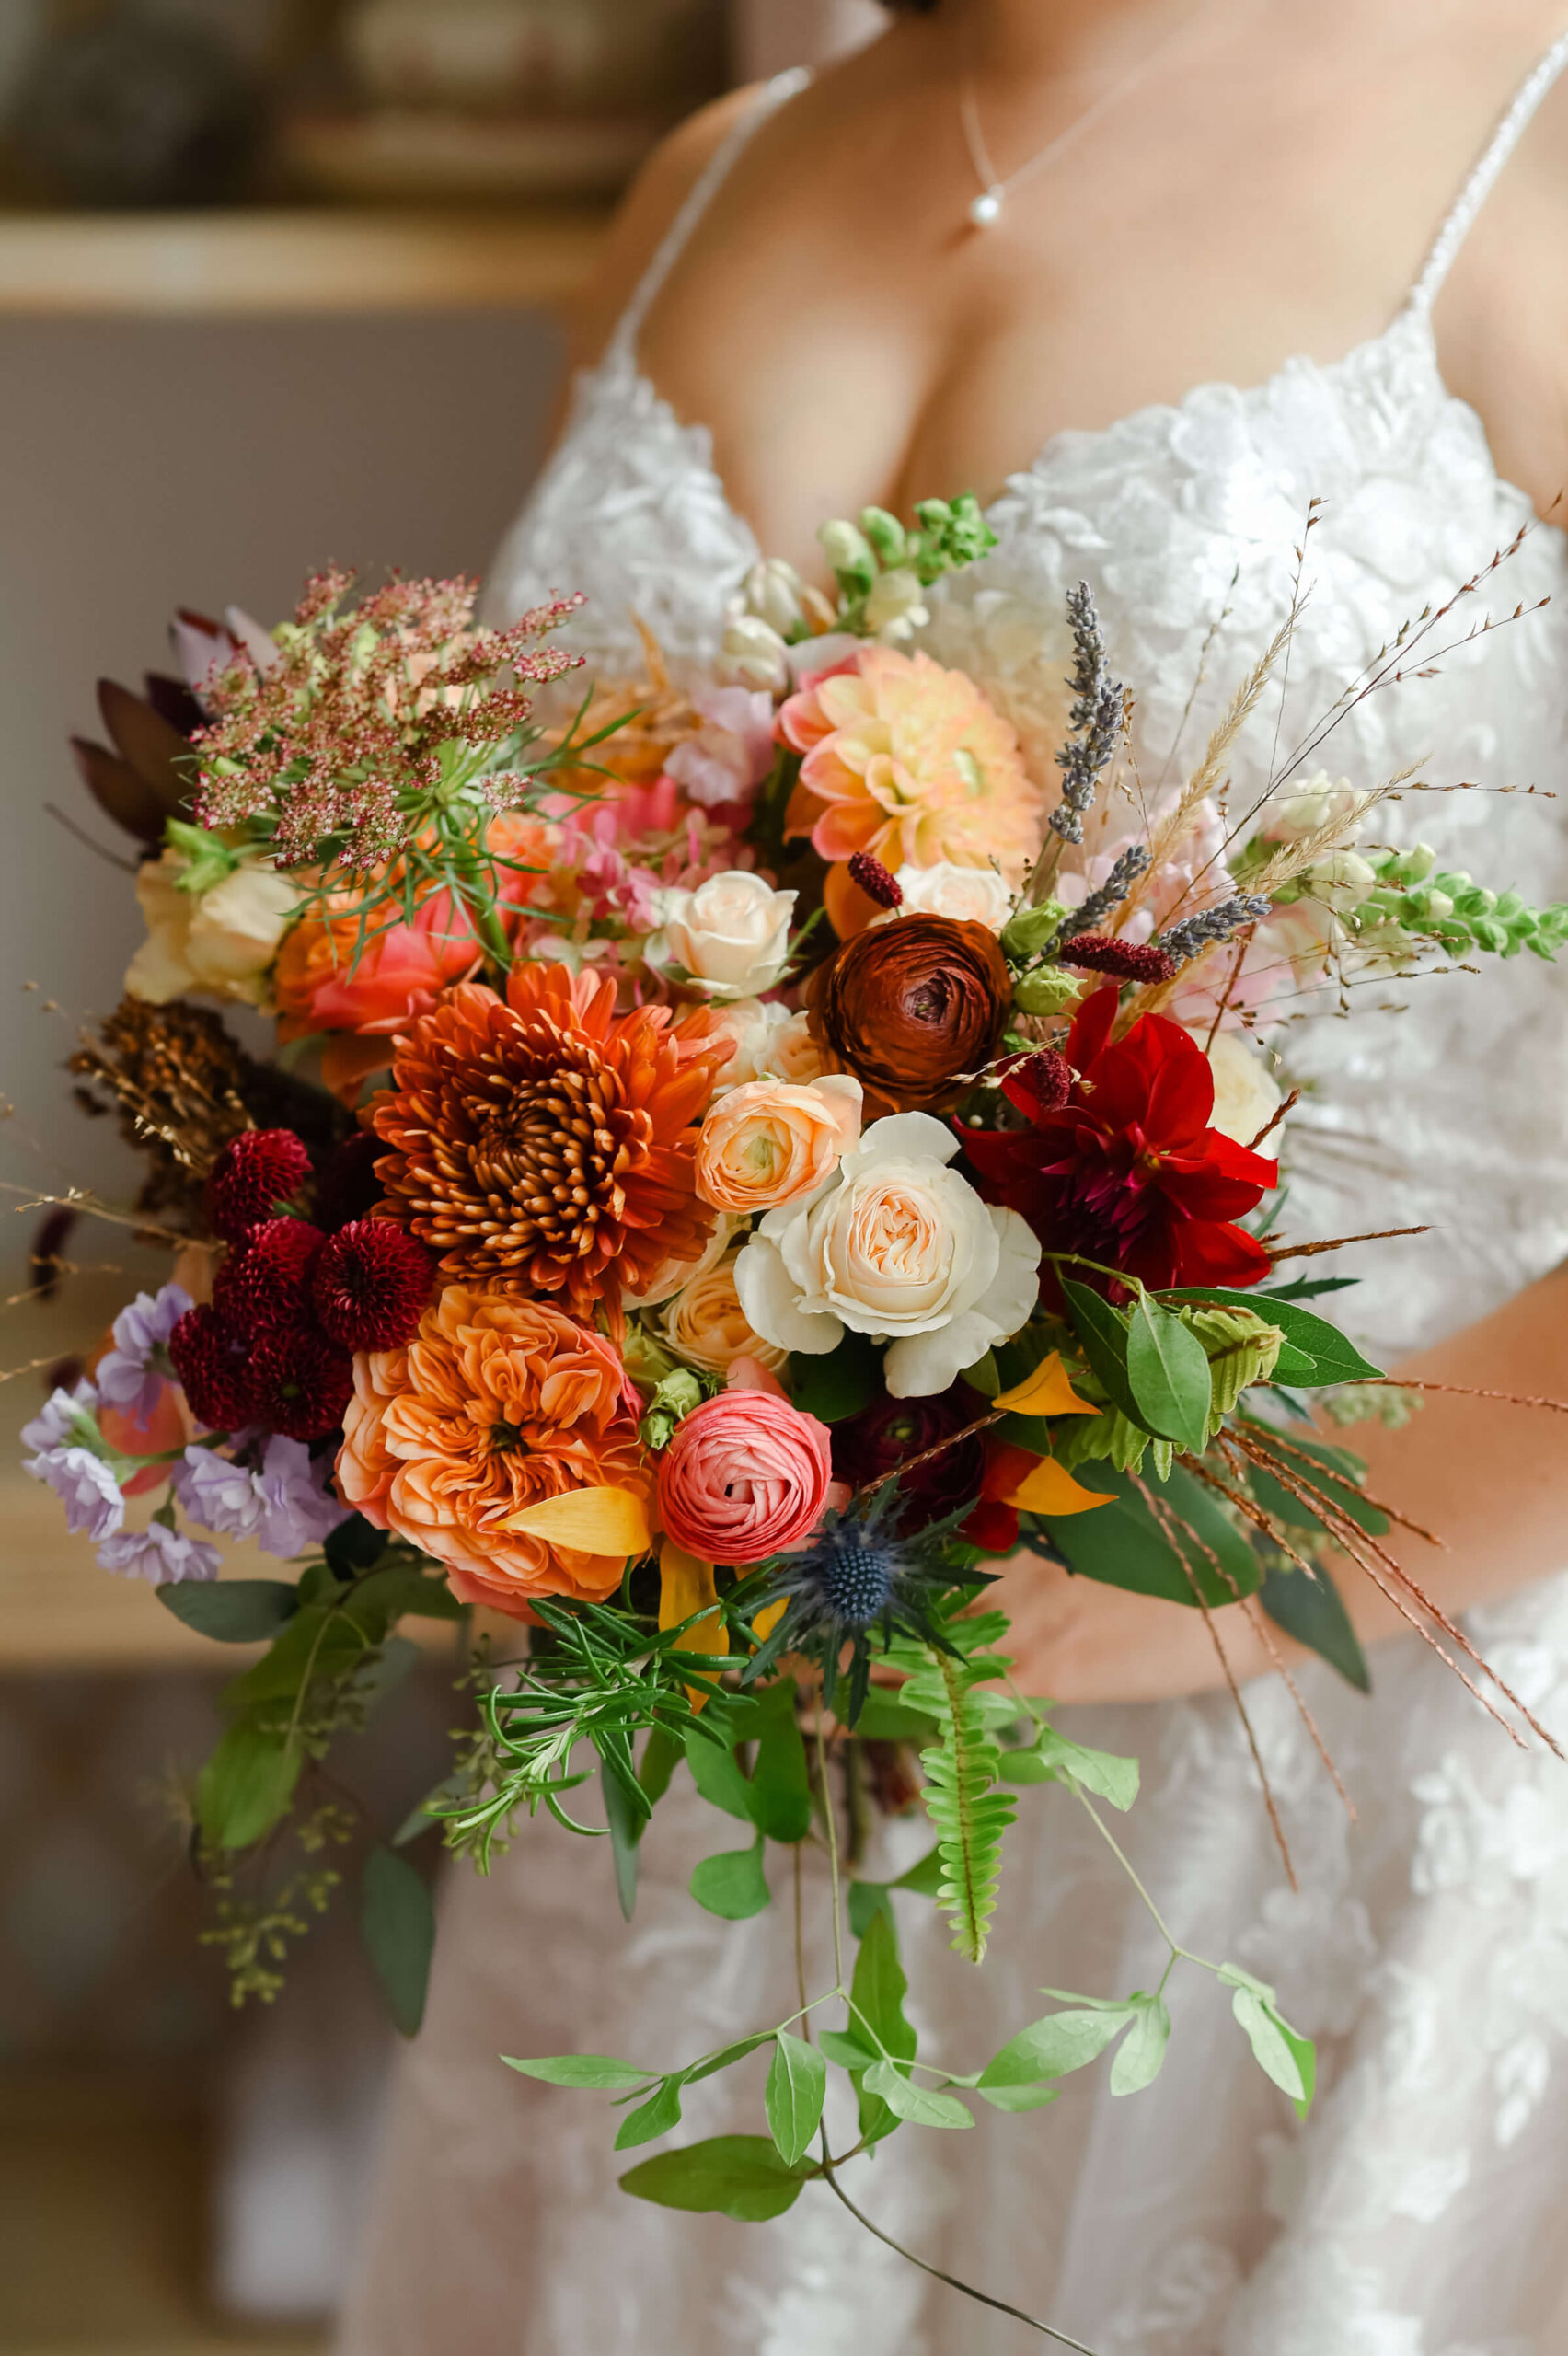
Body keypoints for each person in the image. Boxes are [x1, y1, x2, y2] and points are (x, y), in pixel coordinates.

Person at [339, 6, 1568, 2348]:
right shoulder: (718, 172)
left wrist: (1243, 1572)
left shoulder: (1536, 151)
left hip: (1326, 1728)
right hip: (723, 1700)